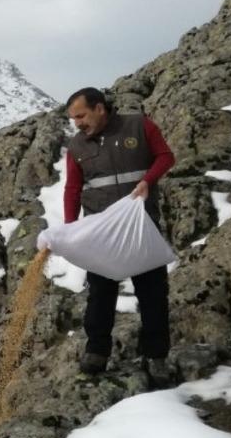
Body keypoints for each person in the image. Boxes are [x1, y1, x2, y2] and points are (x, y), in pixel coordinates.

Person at [63, 88, 175, 386]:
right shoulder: (76, 147)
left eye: (81, 115)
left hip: (141, 227)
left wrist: (147, 182)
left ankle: (156, 357)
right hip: (101, 233)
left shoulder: (139, 126)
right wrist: (70, 227)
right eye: (73, 118)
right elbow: (73, 189)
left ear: (100, 108)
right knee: (100, 294)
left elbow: (166, 156)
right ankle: (96, 352)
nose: (77, 123)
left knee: (152, 294)